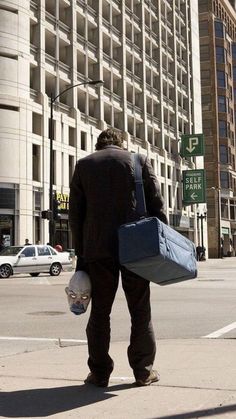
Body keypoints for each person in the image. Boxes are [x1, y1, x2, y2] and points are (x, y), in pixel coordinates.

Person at [69, 128, 167, 388]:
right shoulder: (139, 161)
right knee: (140, 310)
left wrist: (82, 256)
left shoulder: (83, 165)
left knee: (100, 312)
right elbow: (157, 204)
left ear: (98, 145)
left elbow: (76, 217)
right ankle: (143, 371)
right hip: (136, 247)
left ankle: (100, 373)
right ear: (123, 143)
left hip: (98, 249)